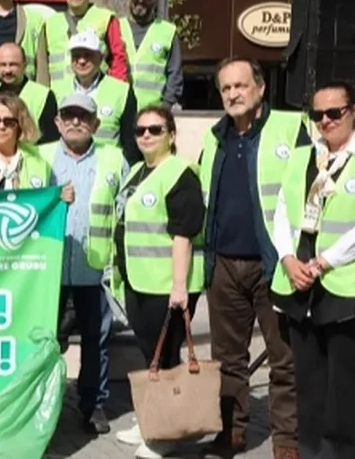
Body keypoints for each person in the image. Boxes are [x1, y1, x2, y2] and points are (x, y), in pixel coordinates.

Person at [270, 82, 355, 459]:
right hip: (301, 283)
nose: (325, 121)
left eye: (334, 113)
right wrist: (288, 259)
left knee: (342, 386)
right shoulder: (301, 158)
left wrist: (325, 261)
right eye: (317, 114)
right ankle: (311, 451)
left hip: (347, 285)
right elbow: (281, 212)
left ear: (353, 111)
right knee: (308, 383)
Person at [199, 58, 308, 459]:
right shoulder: (215, 138)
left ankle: (287, 441)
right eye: (226, 89)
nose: (233, 94)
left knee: (285, 360)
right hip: (225, 265)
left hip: (275, 263)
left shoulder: (290, 128)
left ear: (260, 88)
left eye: (240, 86)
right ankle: (231, 433)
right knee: (227, 361)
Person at [105, 106, 205, 459]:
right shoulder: (137, 172)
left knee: (164, 359)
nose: (146, 136)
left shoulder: (179, 174)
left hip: (167, 286)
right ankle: (150, 420)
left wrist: (179, 286)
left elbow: (183, 234)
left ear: (172, 135)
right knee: (150, 355)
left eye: (155, 129)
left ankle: (164, 435)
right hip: (138, 282)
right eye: (140, 130)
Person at [38, 93, 128, 436]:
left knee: (96, 340)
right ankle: (43, 404)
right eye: (69, 115)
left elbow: (123, 212)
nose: (76, 121)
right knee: (46, 340)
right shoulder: (40, 156)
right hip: (49, 269)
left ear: (95, 124)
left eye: (83, 116)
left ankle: (92, 404)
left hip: (95, 268)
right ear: (58, 121)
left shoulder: (114, 159)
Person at [54, 28, 138, 158]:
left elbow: (131, 143)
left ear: (101, 58)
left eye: (88, 55)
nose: (81, 61)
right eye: (76, 55)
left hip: (108, 169)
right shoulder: (56, 90)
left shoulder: (122, 91)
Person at [43, 0, 128, 84]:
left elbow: (118, 59)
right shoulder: (50, 22)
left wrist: (117, 90)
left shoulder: (106, 18)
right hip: (60, 95)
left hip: (97, 93)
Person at [112, 0, 183, 109]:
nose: (140, 1)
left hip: (153, 110)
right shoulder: (116, 27)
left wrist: (166, 105)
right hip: (119, 107)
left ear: (155, 1)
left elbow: (175, 73)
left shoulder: (167, 31)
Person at [0, 42, 59, 144]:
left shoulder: (43, 95)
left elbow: (50, 143)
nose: (7, 70)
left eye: (13, 64)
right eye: (2, 65)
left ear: (25, 65)